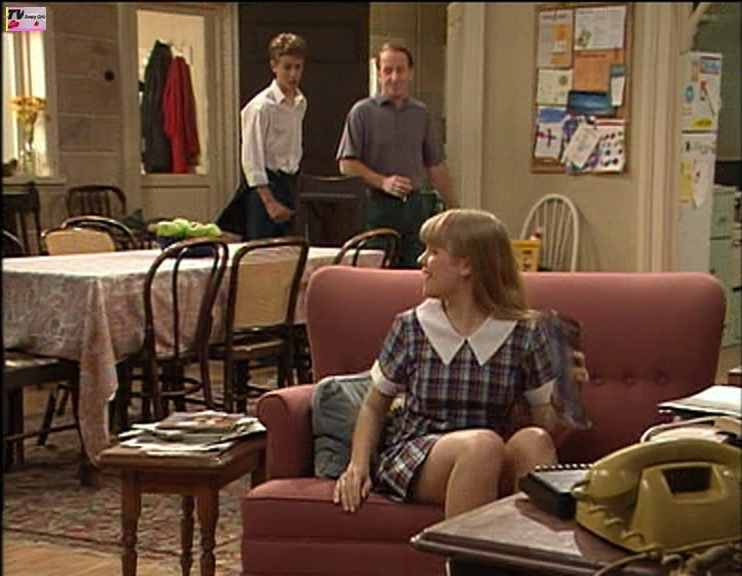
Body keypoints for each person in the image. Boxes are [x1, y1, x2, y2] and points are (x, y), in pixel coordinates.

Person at [333, 209, 589, 519]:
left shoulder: (525, 332)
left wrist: (568, 398)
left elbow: (545, 427)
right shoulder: (413, 326)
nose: (422, 261)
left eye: (434, 252)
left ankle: (533, 549)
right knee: (481, 446)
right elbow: (374, 406)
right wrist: (357, 465)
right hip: (421, 453)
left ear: (466, 265)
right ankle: (460, 551)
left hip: (494, 450)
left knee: (532, 441)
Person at [336, 42, 458, 269]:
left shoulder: (421, 114)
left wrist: (454, 208)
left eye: (400, 70)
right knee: (378, 273)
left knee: (416, 272)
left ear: (410, 73)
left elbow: (436, 165)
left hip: (415, 207)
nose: (394, 77)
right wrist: (383, 181)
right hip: (376, 207)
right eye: (388, 70)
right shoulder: (362, 112)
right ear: (379, 73)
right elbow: (346, 164)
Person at [216, 32, 307, 240]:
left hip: (289, 183)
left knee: (289, 249)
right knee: (260, 250)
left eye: (298, 67)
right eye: (287, 67)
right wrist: (269, 202)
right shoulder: (260, 107)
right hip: (264, 188)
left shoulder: (300, 103)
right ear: (274, 66)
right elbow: (251, 160)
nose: (293, 74)